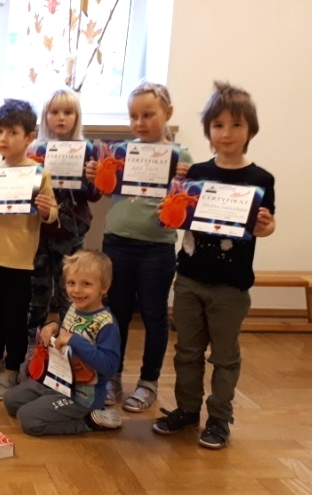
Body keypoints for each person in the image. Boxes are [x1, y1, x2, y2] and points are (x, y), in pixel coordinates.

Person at [152, 82, 275, 450]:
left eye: (236, 125)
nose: (227, 133)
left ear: (250, 130)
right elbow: (175, 218)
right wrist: (170, 203)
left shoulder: (261, 179)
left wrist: (266, 227)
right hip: (189, 279)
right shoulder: (195, 173)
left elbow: (265, 225)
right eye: (218, 125)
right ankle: (187, 410)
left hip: (231, 286)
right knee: (187, 352)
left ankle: (219, 418)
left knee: (224, 357)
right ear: (208, 130)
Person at [85, 82, 192, 413]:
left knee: (154, 314)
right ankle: (112, 376)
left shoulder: (182, 157)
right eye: (133, 116)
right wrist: (96, 174)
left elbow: (187, 203)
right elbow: (105, 191)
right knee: (114, 314)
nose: (140, 122)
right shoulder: (120, 153)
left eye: (148, 115)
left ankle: (148, 382)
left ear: (168, 113)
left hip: (157, 248)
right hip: (116, 242)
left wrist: (186, 179)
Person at [0, 99, 58, 401]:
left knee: (14, 320)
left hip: (18, 262)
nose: (3, 138)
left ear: (29, 137)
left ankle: (11, 368)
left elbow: (52, 212)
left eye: (12, 132)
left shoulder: (38, 174)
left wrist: (46, 209)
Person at [3, 250, 122, 435]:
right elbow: (69, 328)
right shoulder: (74, 308)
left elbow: (110, 366)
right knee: (10, 401)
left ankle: (91, 421)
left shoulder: (107, 324)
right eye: (71, 283)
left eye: (86, 284)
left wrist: (74, 340)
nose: (76, 290)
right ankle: (52, 404)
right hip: (57, 381)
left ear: (104, 287)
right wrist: (54, 326)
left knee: (29, 419)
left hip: (83, 396)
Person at [28, 88, 101, 345]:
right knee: (37, 290)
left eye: (68, 112)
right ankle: (33, 343)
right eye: (55, 112)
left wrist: (93, 178)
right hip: (39, 232)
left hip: (72, 232)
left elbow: (94, 196)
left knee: (70, 290)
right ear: (45, 116)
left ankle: (69, 341)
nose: (61, 117)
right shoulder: (34, 150)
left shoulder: (88, 151)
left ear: (77, 117)